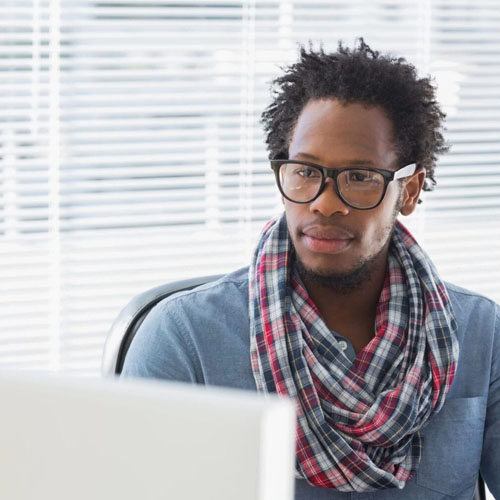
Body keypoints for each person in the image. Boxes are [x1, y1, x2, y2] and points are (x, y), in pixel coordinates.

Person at [122, 40, 499, 499]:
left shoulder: (482, 331)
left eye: (359, 177)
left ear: (409, 191)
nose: (324, 202)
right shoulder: (184, 337)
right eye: (304, 171)